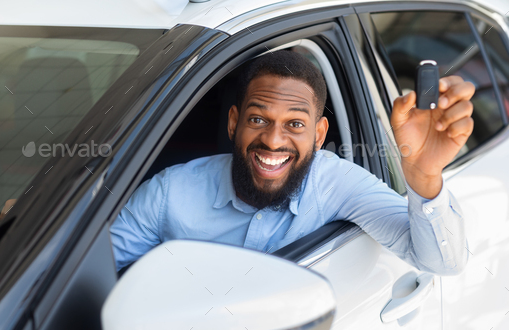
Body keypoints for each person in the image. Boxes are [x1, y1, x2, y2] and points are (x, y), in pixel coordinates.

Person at [110, 50, 474, 275]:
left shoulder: (337, 183)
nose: (272, 139)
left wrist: (424, 174)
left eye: (295, 124)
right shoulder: (169, 193)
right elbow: (82, 278)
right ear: (234, 122)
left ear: (318, 135)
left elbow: (442, 262)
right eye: (258, 119)